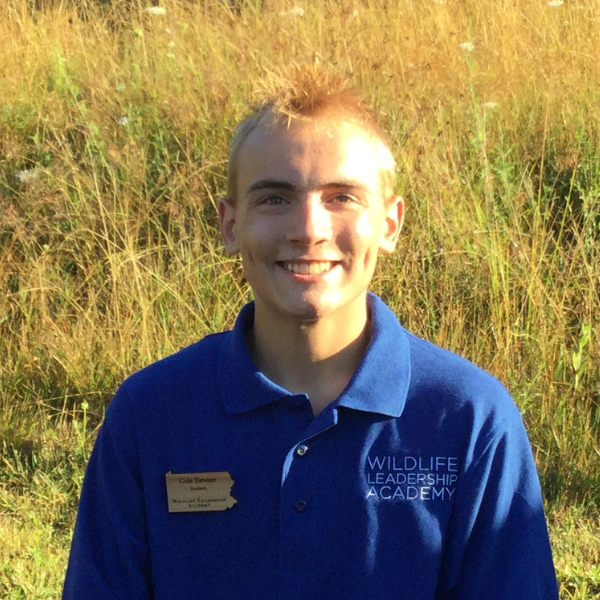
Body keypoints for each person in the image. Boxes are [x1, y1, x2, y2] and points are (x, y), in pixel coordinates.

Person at [63, 65, 559, 600]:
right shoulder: (150, 413)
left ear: (389, 224)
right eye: (274, 198)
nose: (308, 228)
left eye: (342, 197)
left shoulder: (469, 417)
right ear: (230, 225)